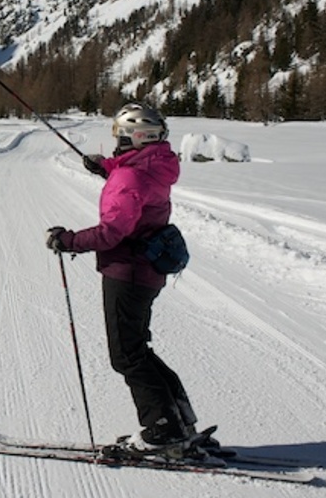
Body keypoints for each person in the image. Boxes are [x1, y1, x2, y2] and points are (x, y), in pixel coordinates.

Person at [46, 103, 203, 453]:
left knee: (127, 356)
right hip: (145, 271)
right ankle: (179, 417)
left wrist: (67, 240)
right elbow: (133, 180)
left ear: (138, 136)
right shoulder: (155, 165)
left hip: (128, 271)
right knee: (137, 350)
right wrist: (106, 167)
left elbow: (111, 232)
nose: (116, 143)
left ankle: (163, 429)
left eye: (121, 136)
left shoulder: (130, 176)